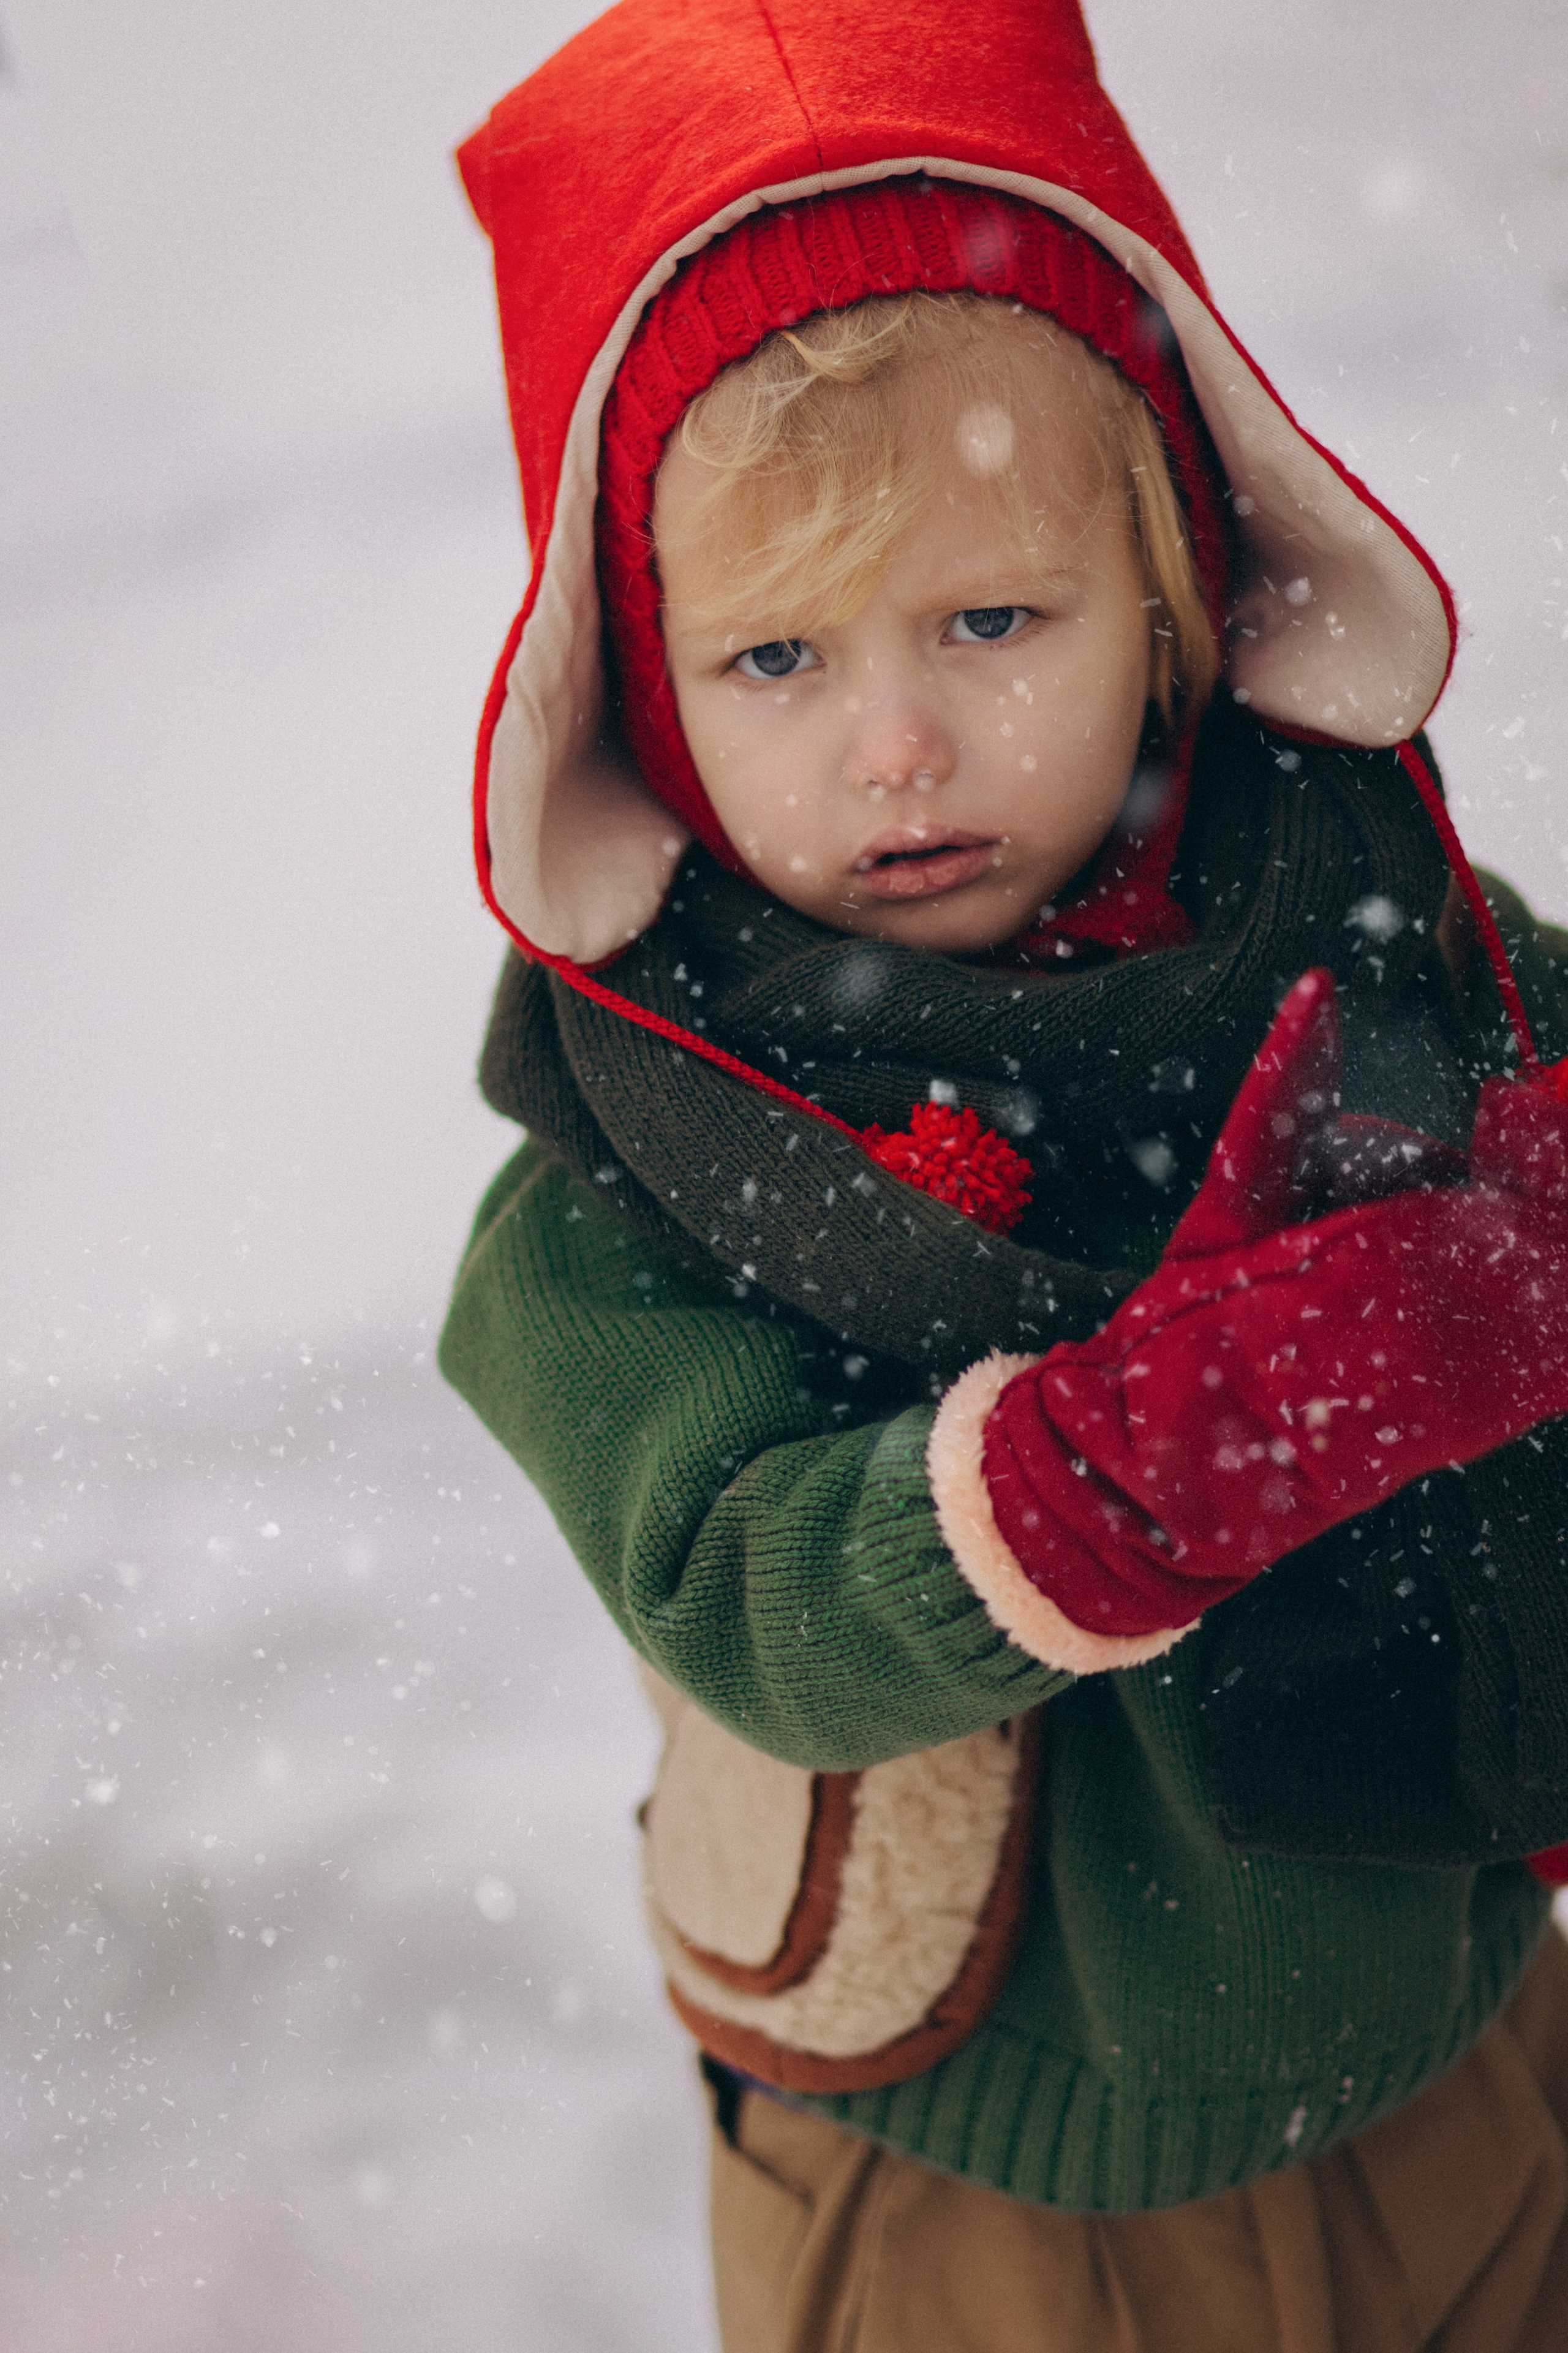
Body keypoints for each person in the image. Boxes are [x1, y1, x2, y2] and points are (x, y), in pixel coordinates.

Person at [439, 1, 1568, 2343]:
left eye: (992, 618)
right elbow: (748, 1590)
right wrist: (1129, 1464)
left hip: (1459, 2066)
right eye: (771, 655)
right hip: (975, 2185)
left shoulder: (1382, 937)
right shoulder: (637, 1161)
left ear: (1172, 586)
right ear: (638, 693)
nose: (897, 740)